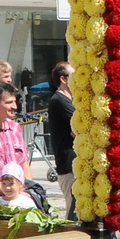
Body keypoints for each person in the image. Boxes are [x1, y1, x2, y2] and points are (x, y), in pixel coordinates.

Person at [45, 62, 77, 218]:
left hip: (75, 164)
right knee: (74, 212)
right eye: (74, 76)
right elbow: (80, 129)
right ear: (63, 79)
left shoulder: (71, 99)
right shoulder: (59, 100)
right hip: (68, 166)